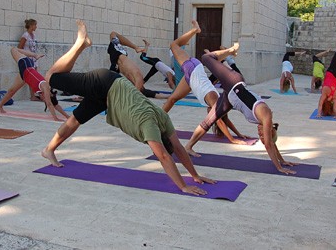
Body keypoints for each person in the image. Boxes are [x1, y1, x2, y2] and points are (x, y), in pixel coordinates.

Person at [41, 20, 215, 195]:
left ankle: (49, 149)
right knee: (51, 77)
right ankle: (80, 44)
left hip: (108, 94)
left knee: (75, 120)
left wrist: (195, 175)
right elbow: (164, 155)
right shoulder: (150, 127)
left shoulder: (164, 120)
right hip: (104, 83)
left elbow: (178, 148)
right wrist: (183, 186)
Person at [184, 45, 299, 175]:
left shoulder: (263, 122)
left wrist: (282, 160)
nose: (260, 134)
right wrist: (279, 167)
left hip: (230, 99)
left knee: (209, 121)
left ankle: (188, 147)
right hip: (234, 83)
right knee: (205, 57)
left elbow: (271, 143)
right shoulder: (265, 114)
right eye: (263, 133)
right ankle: (230, 51)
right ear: (270, 128)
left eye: (260, 136)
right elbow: (268, 144)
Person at [161, 21, 247, 145]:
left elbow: (224, 120)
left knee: (172, 99)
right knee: (174, 45)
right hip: (192, 69)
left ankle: (157, 118)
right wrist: (232, 139)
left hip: (191, 78)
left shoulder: (218, 105)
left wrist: (238, 134)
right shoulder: (214, 100)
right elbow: (220, 121)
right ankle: (196, 30)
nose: (209, 115)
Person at [0, 47, 69, 121]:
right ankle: (35, 55)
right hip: (26, 65)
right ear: (50, 94)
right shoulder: (45, 87)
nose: (43, 99)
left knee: (11, 91)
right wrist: (55, 118)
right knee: (13, 49)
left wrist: (67, 116)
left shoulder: (44, 92)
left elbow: (55, 105)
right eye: (44, 99)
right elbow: (49, 104)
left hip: (24, 76)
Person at [106, 31, 168, 99]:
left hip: (117, 64)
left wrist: (169, 97)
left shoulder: (140, 86)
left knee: (109, 84)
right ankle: (136, 47)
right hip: (118, 55)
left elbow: (150, 93)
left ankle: (136, 48)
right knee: (113, 34)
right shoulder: (138, 78)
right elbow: (136, 95)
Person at [18, 19, 41, 100]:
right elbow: (19, 48)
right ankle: (32, 96)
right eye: (35, 25)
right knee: (30, 77)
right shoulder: (25, 35)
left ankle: (34, 94)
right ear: (31, 25)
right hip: (28, 59)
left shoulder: (33, 35)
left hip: (34, 59)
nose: (36, 27)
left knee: (35, 77)